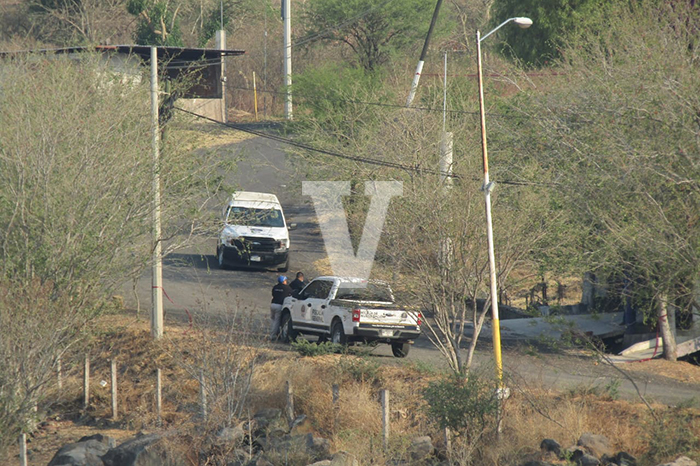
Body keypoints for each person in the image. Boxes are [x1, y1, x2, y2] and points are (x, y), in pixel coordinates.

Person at [270, 275, 293, 340]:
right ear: (284, 281)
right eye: (285, 280)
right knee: (277, 321)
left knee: (273, 320)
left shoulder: (275, 287)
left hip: (273, 304)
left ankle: (275, 333)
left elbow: (273, 294)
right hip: (279, 305)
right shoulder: (287, 288)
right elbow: (291, 294)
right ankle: (273, 335)